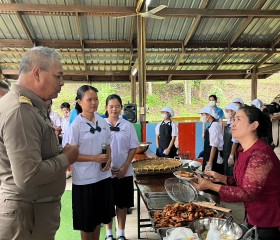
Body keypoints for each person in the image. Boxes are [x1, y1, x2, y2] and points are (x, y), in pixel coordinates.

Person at [0, 46, 79, 240]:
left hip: (35, 212)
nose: (62, 82)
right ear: (37, 73)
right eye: (58, 76)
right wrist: (65, 158)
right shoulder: (20, 111)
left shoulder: (32, 107)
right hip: (27, 216)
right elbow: (27, 176)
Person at [192, 106, 280, 240]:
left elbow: (248, 193)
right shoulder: (243, 149)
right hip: (253, 216)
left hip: (269, 221)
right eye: (233, 119)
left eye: (238, 119)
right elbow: (244, 182)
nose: (233, 123)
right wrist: (222, 178)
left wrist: (210, 186)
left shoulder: (260, 155)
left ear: (254, 125)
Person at [67, 85, 115, 240]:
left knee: (99, 220)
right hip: (84, 181)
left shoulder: (102, 122)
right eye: (89, 99)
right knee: (87, 222)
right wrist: (94, 158)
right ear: (80, 102)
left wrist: (108, 157)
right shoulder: (75, 126)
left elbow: (107, 144)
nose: (94, 103)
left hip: (102, 178)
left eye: (96, 99)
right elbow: (70, 156)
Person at [104, 94, 138, 240]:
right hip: (105, 172)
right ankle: (109, 234)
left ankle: (121, 234)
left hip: (125, 172)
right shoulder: (101, 125)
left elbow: (133, 148)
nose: (114, 109)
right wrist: (107, 165)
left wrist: (125, 167)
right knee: (107, 204)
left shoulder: (128, 125)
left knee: (122, 204)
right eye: (111, 106)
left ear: (121, 108)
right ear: (106, 108)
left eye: (117, 106)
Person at [223, 102, 240, 176]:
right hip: (226, 150)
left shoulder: (235, 124)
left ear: (233, 111)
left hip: (231, 151)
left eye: (227, 111)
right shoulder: (230, 122)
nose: (226, 113)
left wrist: (231, 155)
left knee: (231, 173)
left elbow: (235, 141)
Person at [60, 102, 72, 178]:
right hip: (64, 137)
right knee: (65, 155)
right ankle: (67, 171)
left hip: (70, 137)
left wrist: (70, 117)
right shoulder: (62, 119)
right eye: (64, 110)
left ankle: (71, 171)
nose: (65, 112)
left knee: (72, 154)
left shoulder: (72, 118)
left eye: (67, 110)